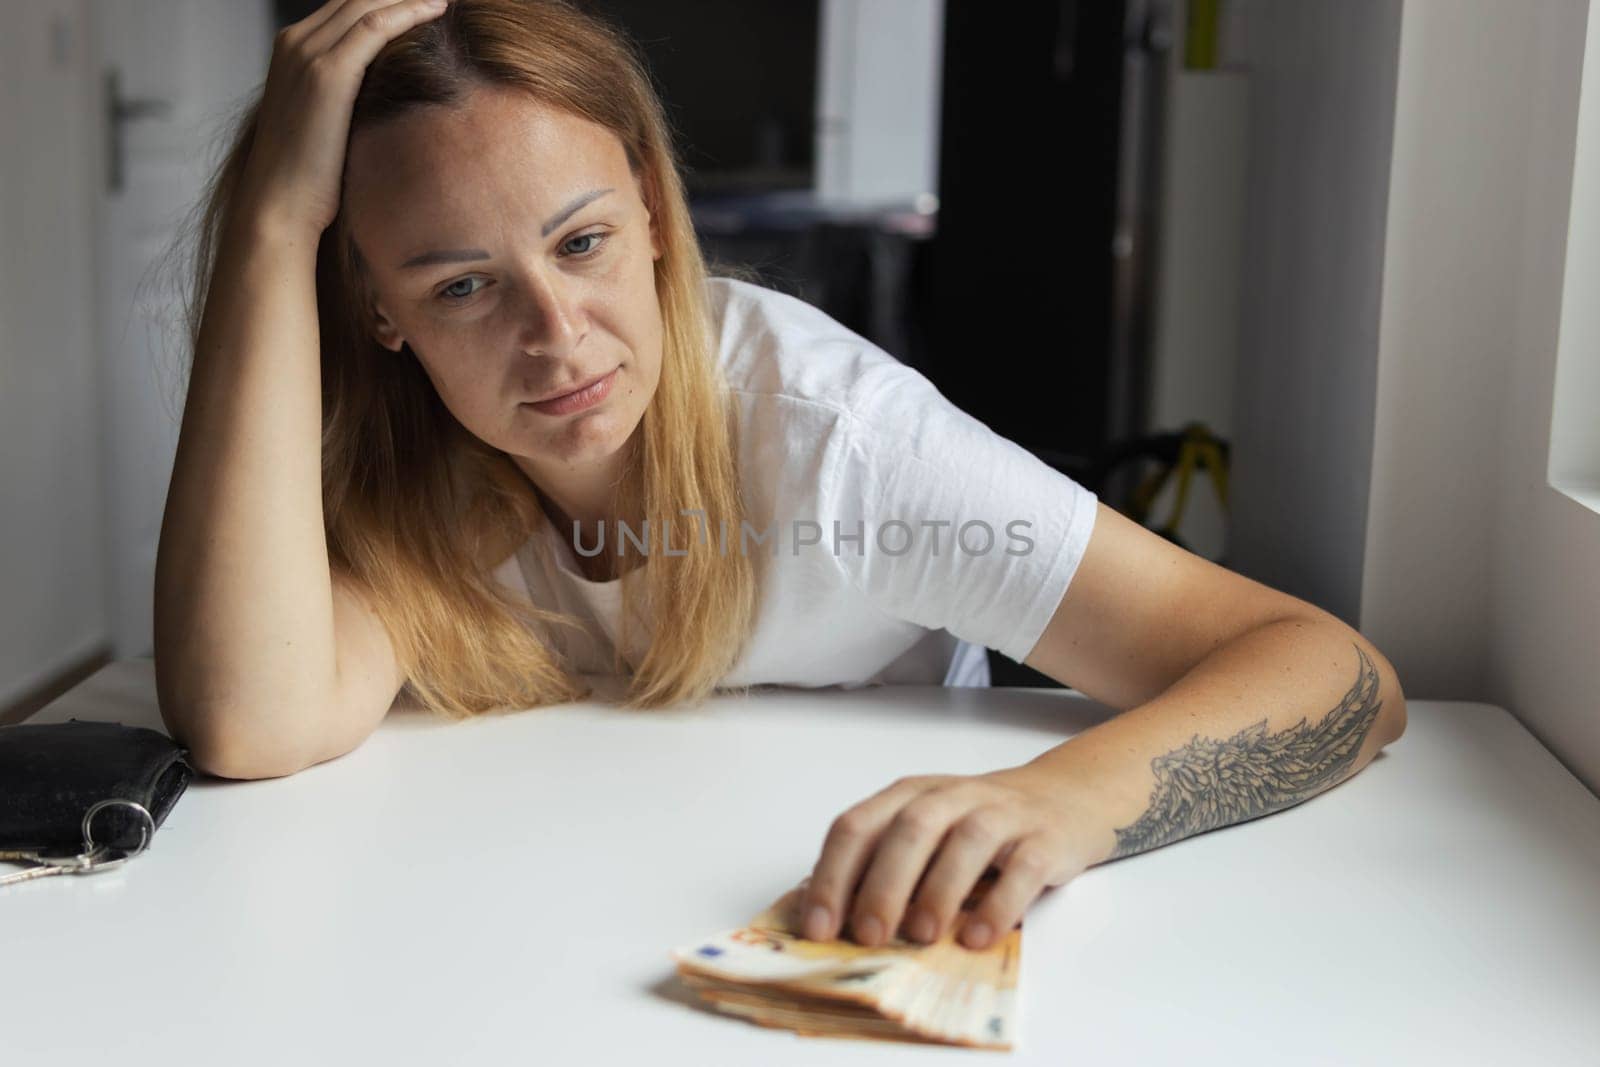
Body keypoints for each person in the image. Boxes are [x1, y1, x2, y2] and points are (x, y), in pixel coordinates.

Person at [153, 0, 1407, 954]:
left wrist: (1057, 803)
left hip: (846, 931)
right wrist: (273, 222)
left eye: (582, 241)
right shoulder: (404, 461)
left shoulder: (836, 442)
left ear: (651, 211)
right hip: (528, 933)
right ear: (377, 309)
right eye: (460, 286)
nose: (559, 334)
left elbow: (1334, 672)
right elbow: (253, 721)